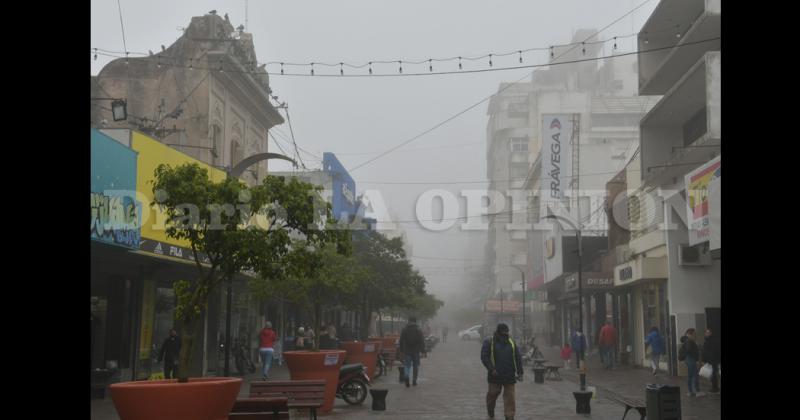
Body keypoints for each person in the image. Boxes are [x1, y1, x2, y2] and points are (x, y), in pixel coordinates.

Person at [480, 323, 523, 420]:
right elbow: (484, 356)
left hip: (509, 374)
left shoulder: (511, 341)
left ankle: (509, 416)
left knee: (510, 398)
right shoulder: (489, 341)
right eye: (504, 332)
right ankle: (490, 410)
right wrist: (491, 369)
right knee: (492, 394)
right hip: (495, 375)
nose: (506, 334)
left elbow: (517, 357)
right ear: (498, 332)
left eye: (507, 332)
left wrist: (520, 372)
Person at [399, 316, 427, 387]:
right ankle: (414, 380)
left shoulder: (404, 329)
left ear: (408, 321)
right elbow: (421, 341)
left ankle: (406, 377)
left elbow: (401, 340)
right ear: (415, 321)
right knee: (415, 366)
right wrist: (423, 351)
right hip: (416, 351)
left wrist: (401, 350)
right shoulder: (418, 329)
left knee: (407, 366)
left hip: (407, 351)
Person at [679, 328, 703, 397]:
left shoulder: (686, 340)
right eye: (694, 333)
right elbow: (690, 350)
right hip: (691, 359)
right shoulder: (689, 341)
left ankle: (690, 391)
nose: (695, 335)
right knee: (695, 375)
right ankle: (697, 391)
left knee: (690, 375)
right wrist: (695, 357)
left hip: (688, 359)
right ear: (690, 334)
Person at [701, 328, 721, 393]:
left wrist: (708, 359)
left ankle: (715, 388)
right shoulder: (707, 340)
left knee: (713, 374)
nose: (706, 333)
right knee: (712, 374)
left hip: (713, 360)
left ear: (711, 333)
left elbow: (712, 351)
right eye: (706, 332)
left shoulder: (713, 340)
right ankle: (714, 387)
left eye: (708, 332)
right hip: (711, 360)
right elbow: (705, 351)